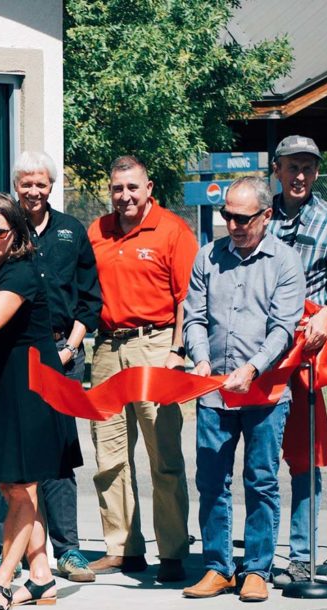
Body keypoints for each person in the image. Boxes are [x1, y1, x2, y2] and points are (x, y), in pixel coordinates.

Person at [0, 193, 81, 610]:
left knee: (22, 488)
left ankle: (3, 580)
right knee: (12, 487)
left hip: (32, 385)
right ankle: (41, 577)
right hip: (2, 381)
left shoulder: (21, 272)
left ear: (16, 234)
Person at [182, 177, 306, 602]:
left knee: (260, 480)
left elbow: (284, 328)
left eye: (242, 217)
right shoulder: (207, 257)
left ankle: (256, 569)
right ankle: (217, 566)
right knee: (212, 481)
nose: (233, 224)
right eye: (227, 216)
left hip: (264, 394)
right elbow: (194, 317)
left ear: (266, 216)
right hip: (214, 393)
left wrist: (253, 368)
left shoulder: (285, 262)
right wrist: (199, 358)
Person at [86, 155, 198, 582]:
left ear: (149, 188)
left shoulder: (172, 230)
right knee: (109, 456)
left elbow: (188, 296)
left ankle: (171, 552)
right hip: (108, 348)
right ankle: (123, 548)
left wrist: (177, 349)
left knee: (163, 455)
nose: (125, 196)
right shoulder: (98, 230)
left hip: (156, 345)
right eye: (118, 188)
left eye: (133, 187)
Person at [266, 135, 327, 586]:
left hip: (306, 349)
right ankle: (258, 555)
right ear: (277, 170)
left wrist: (323, 317)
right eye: (291, 166)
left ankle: (303, 554)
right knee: (259, 455)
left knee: (304, 456)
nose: (299, 175)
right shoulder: (260, 217)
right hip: (262, 349)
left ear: (317, 172)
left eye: (307, 167)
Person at [13, 150, 102, 584]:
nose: (33, 190)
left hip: (63, 355)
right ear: (16, 186)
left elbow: (91, 299)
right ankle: (12, 552)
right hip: (19, 358)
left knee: (61, 453)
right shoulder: (5, 230)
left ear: (51, 186)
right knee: (16, 455)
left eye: (41, 183)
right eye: (26, 182)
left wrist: (69, 347)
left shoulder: (71, 231)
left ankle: (68, 551)